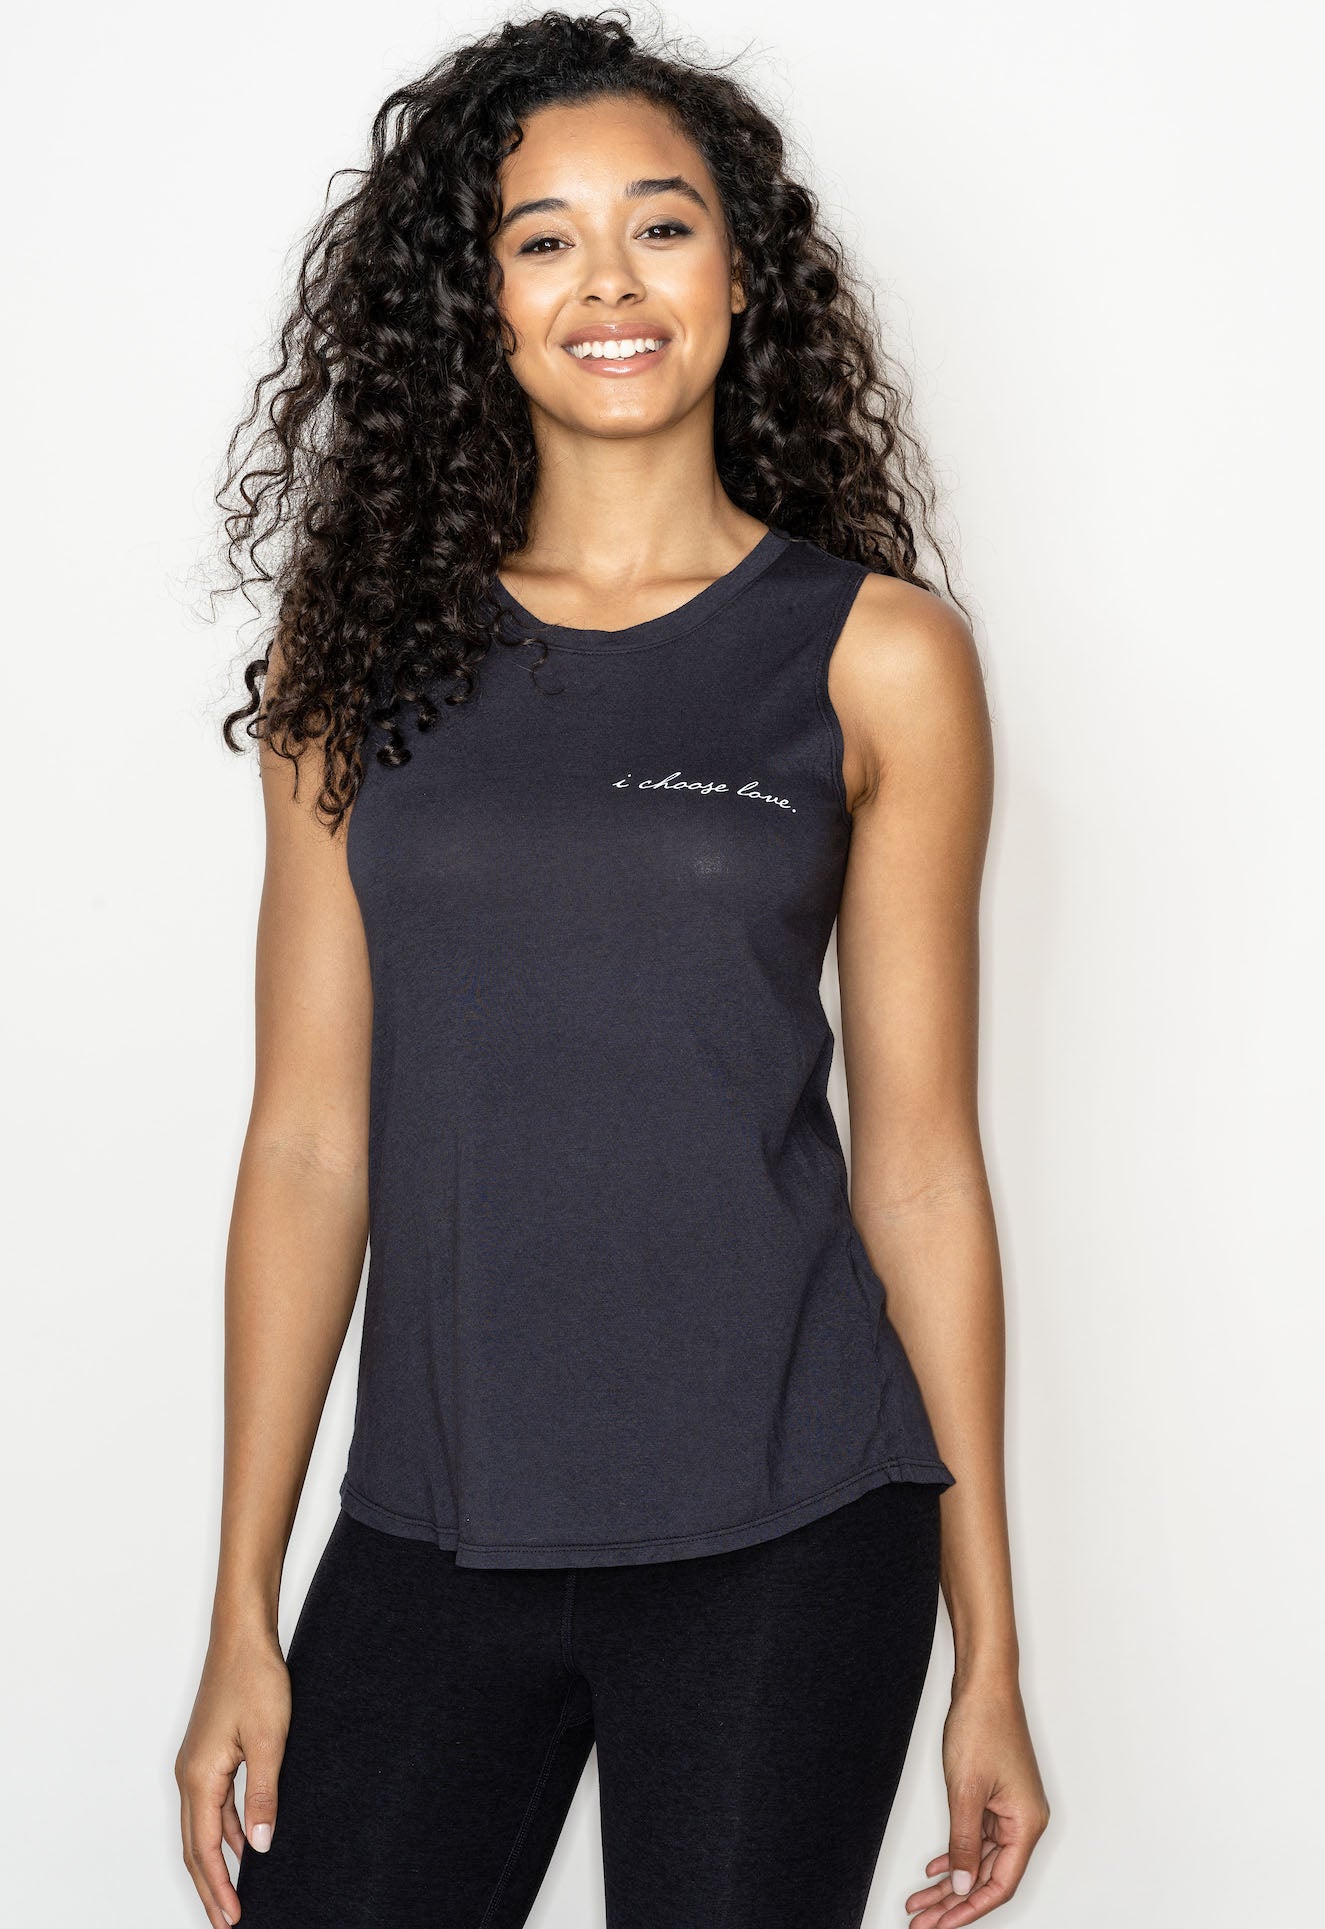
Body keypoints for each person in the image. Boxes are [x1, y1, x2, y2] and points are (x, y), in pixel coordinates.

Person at [175, 11, 1049, 1927]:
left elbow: (918, 1165)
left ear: (740, 271)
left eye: (659, 225)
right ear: (470, 303)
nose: (609, 283)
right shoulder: (355, 663)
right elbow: (308, 1143)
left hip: (792, 1524)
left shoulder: (877, 656)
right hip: (435, 1520)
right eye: (541, 238)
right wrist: (244, 1599)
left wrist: (989, 1646)